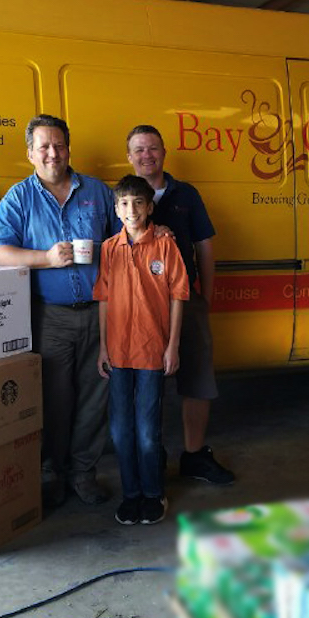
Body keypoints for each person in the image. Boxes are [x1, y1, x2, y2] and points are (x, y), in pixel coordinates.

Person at [0, 114, 121, 508]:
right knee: (53, 401)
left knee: (96, 400)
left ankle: (83, 472)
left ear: (68, 148)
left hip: (100, 313)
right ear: (30, 153)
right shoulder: (19, 198)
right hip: (51, 317)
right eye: (43, 146)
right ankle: (50, 474)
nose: (52, 153)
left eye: (59, 145)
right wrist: (45, 258)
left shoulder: (97, 192)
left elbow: (124, 239)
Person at [125, 124, 235, 485]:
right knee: (145, 384)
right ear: (129, 157)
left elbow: (204, 245)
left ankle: (193, 454)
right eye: (139, 150)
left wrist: (207, 295)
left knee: (197, 378)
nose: (147, 155)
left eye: (153, 148)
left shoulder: (186, 194)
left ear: (164, 153)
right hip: (141, 308)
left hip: (187, 302)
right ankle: (150, 457)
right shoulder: (122, 197)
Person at [94, 175, 188, 525]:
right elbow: (103, 298)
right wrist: (103, 346)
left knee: (148, 430)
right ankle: (130, 494)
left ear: (150, 208)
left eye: (138, 203)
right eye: (123, 203)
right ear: (116, 209)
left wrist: (172, 345)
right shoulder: (108, 249)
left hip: (152, 350)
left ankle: (153, 492)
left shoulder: (165, 246)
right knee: (120, 430)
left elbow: (179, 295)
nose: (131, 210)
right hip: (117, 352)